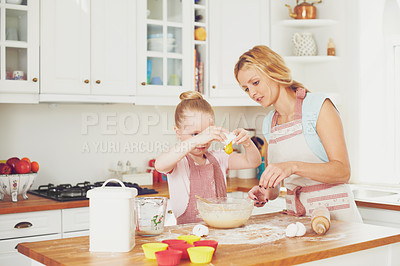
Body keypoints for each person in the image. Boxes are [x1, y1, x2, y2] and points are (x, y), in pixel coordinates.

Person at [234, 45, 362, 222]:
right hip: (299, 220)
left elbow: (342, 171)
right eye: (246, 89)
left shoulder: (319, 106)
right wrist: (264, 191)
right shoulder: (269, 123)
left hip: (337, 220)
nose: (252, 93)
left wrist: (292, 166)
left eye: (255, 83)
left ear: (274, 72)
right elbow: (275, 190)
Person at [155, 91, 261, 224]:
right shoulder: (178, 161)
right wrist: (198, 139)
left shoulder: (219, 157)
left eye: (207, 134)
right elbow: (160, 165)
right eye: (195, 134)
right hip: (188, 233)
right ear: (178, 132)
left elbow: (253, 161)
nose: (203, 141)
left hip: (219, 229)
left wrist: (247, 142)